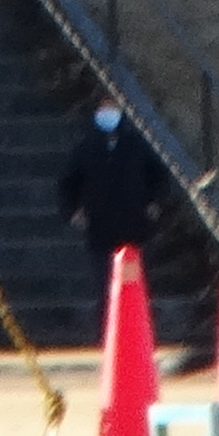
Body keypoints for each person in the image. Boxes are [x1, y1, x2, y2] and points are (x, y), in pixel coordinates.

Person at [55, 100, 181, 342]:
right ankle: (108, 335)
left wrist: (155, 203)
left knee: (133, 285)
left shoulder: (135, 143)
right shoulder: (87, 146)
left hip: (133, 228)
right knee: (104, 287)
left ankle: (135, 334)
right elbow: (67, 183)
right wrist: (73, 212)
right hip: (99, 229)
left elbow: (159, 176)